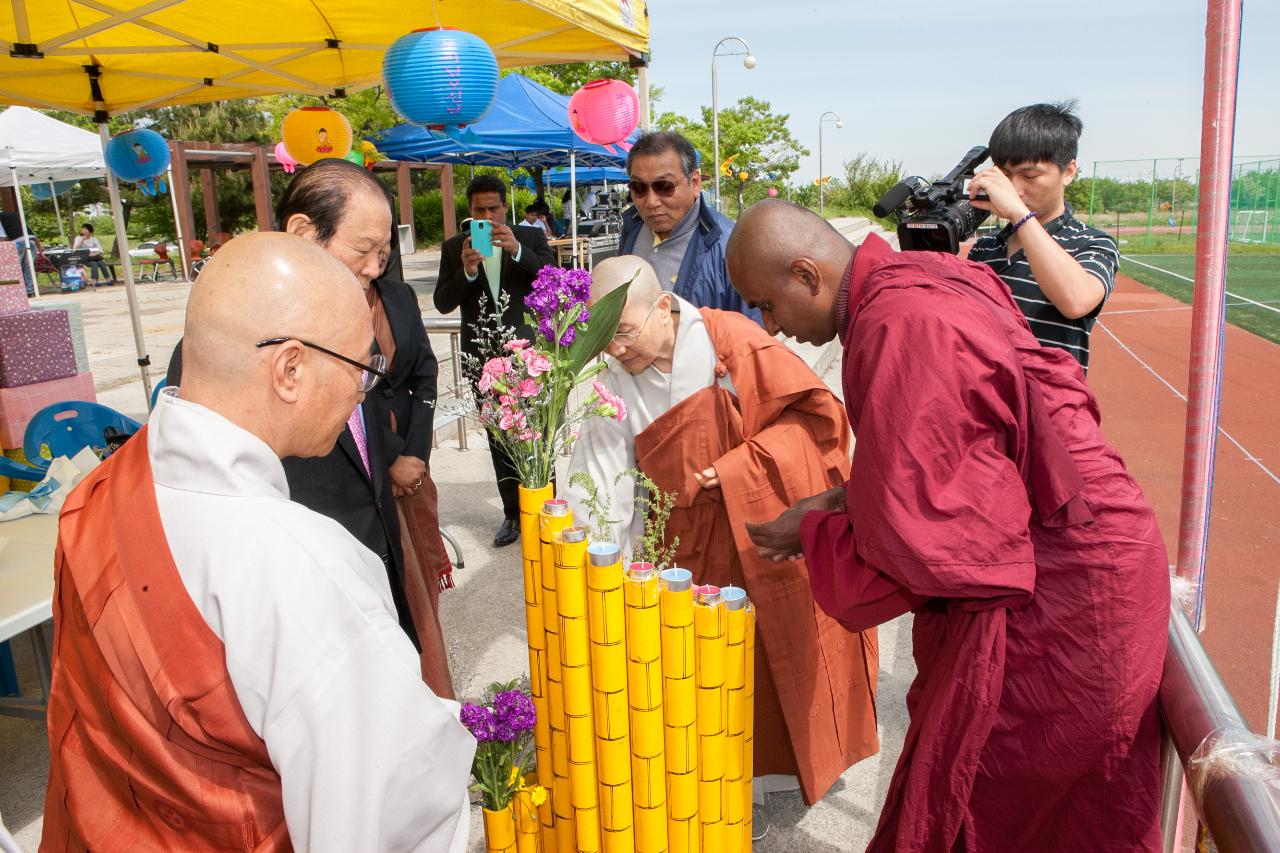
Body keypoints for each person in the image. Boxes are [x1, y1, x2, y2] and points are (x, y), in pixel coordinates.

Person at [728, 200, 1169, 852]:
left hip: (1068, 590)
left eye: (768, 303)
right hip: (1075, 548)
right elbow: (963, 455)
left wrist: (816, 533)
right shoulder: (921, 277)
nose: (771, 325)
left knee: (1006, 807)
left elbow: (926, 545)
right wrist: (843, 502)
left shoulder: (898, 323)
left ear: (807, 274)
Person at [43, 233, 474, 852]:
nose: (363, 391)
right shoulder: (300, 565)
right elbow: (384, 815)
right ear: (290, 368)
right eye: (361, 367)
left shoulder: (101, 491)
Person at [564, 255, 880, 824]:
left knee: (771, 657)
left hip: (755, 531)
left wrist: (745, 466)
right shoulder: (608, 375)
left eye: (625, 334)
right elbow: (604, 475)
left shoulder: (729, 342)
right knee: (688, 677)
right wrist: (601, 554)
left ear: (663, 308)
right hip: (675, 547)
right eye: (604, 340)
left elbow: (820, 421)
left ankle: (769, 777)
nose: (616, 351)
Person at [168, 160, 452, 691]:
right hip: (301, 611)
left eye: (383, 254)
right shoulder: (224, 351)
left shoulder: (345, 327)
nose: (374, 268)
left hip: (377, 554)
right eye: (363, 250)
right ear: (303, 233)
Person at [434, 174, 555, 547]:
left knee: (539, 435)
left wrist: (517, 249)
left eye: (493, 208)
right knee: (499, 439)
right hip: (482, 357)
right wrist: (467, 271)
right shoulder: (456, 246)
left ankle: (548, 511)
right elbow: (442, 302)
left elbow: (552, 279)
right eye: (478, 210)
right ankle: (512, 515)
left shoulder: (531, 238)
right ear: (469, 212)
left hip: (528, 356)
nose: (486, 215)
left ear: (506, 207)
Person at [967, 101, 1118, 371]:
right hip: (987, 404)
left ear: (1069, 171)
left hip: (1048, 408)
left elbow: (1076, 300)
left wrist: (1018, 213)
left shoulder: (1091, 243)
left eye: (1031, 175)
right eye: (1005, 176)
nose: (1016, 189)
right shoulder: (985, 248)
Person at [618, 131, 759, 322]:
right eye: (639, 188)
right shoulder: (631, 229)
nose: (651, 201)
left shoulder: (730, 245)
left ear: (694, 183)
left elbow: (752, 337)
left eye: (664, 186)